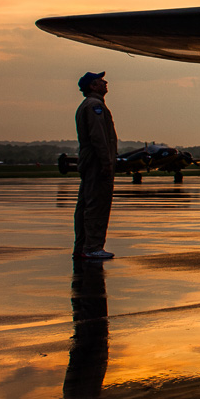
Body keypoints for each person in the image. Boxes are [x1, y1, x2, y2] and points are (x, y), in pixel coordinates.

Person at [73, 71, 117, 261]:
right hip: (96, 162)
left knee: (86, 204)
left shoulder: (89, 104)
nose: (105, 82)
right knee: (97, 205)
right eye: (100, 81)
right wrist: (106, 162)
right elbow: (98, 137)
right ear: (92, 86)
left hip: (90, 160)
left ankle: (82, 246)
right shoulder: (95, 106)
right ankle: (92, 247)